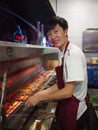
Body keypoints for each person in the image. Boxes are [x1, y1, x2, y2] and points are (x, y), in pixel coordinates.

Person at [25, 16, 89, 130]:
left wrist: (41, 98)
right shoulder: (61, 52)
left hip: (75, 110)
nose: (53, 37)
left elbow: (68, 92)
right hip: (68, 106)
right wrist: (39, 94)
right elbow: (61, 83)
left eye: (56, 31)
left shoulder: (72, 54)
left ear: (65, 31)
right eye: (49, 34)